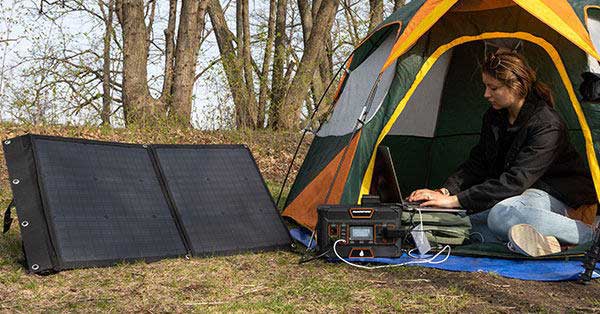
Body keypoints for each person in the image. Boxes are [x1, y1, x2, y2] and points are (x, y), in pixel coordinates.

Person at [407, 50, 597, 256]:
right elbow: (477, 163)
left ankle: (592, 237)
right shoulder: (494, 116)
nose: (486, 94)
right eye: (486, 86)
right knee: (461, 225)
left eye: (493, 87)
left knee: (499, 217)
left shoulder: (547, 124)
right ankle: (549, 242)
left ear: (516, 87)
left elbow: (516, 181)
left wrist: (455, 201)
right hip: (518, 198)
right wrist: (444, 192)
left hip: (559, 197)